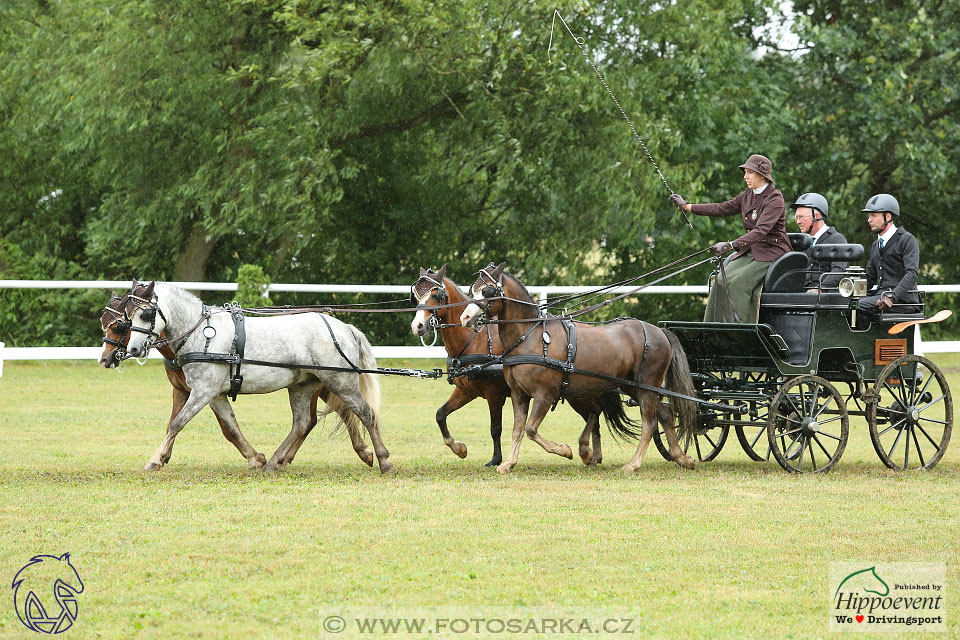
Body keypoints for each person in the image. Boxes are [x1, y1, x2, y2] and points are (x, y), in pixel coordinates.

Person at [670, 154, 790, 322]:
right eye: (745, 172)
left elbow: (761, 231)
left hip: (771, 253)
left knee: (737, 284)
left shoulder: (775, 199)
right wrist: (687, 206)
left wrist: (731, 245)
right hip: (751, 251)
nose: (745, 177)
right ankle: (713, 328)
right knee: (719, 281)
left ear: (762, 175)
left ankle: (740, 331)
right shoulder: (748, 194)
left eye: (750, 173)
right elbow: (721, 208)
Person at [857, 193, 921, 321]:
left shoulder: (907, 240)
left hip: (903, 300)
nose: (869, 220)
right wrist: (849, 291)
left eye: (873, 215)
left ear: (888, 216)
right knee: (843, 302)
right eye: (869, 216)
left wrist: (893, 296)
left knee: (857, 306)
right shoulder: (876, 245)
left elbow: (912, 274)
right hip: (881, 297)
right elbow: (869, 278)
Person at [790, 192, 847, 290]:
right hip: (800, 295)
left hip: (825, 298)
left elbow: (838, 271)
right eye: (797, 217)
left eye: (801, 217)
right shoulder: (801, 242)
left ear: (816, 216)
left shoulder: (836, 239)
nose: (798, 222)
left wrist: (820, 289)